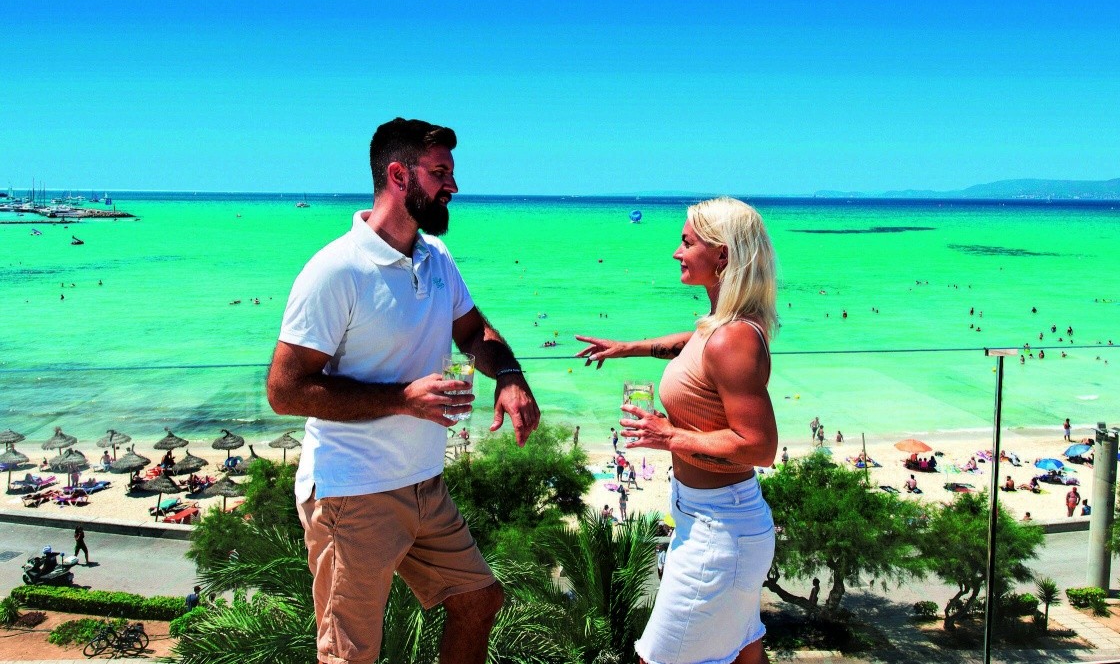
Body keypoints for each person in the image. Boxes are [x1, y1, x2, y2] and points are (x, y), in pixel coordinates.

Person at [267, 117, 541, 664]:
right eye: (439, 172)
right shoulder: (336, 270)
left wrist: (510, 375)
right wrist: (401, 399)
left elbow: (474, 333)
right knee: (350, 656)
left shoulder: (436, 258)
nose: (453, 186)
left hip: (424, 485)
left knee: (478, 600)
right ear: (398, 175)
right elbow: (285, 390)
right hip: (352, 494)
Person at [576, 196, 779, 664]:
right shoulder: (722, 326)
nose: (676, 252)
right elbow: (695, 344)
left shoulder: (732, 337)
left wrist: (668, 436)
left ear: (722, 254)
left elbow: (760, 446)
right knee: (743, 652)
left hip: (719, 532)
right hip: (716, 521)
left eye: (687, 242)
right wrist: (629, 348)